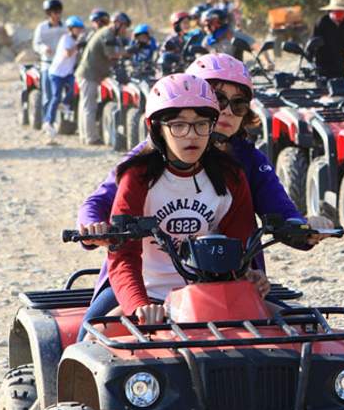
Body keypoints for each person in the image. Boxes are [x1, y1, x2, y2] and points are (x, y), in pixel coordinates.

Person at [75, 53, 325, 327]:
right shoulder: (140, 168)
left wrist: (300, 230)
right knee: (90, 336)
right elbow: (102, 212)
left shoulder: (241, 166)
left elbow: (272, 214)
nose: (228, 111)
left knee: (298, 333)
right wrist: (93, 229)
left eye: (238, 103)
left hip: (219, 285)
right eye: (219, 99)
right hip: (143, 284)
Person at [102, 73, 259, 326]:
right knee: (88, 339)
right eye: (178, 125)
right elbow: (123, 255)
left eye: (201, 124)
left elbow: (239, 244)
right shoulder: (137, 177)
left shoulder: (231, 175)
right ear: (157, 129)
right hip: (151, 295)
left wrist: (248, 274)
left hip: (214, 296)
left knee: (290, 336)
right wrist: (139, 305)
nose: (191, 135)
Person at [75, 11, 129, 145]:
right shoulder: (107, 34)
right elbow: (111, 54)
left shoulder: (106, 33)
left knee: (85, 106)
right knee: (89, 107)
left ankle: (85, 136)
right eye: (124, 27)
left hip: (88, 73)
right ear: (117, 24)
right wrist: (128, 52)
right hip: (89, 74)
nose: (125, 30)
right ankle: (91, 138)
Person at [43, 15, 84, 141]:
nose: (79, 30)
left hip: (68, 73)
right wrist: (79, 44)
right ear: (71, 29)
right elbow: (68, 54)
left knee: (75, 87)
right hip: (56, 73)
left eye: (80, 28)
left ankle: (65, 104)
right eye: (76, 28)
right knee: (55, 97)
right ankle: (48, 121)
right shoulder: (66, 38)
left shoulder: (75, 40)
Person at [32, 0, 66, 133]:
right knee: (48, 94)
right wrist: (43, 49)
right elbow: (36, 44)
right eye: (55, 12)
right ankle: (47, 122)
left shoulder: (65, 27)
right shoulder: (41, 27)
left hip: (63, 64)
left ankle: (63, 122)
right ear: (49, 13)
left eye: (59, 12)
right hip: (48, 64)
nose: (57, 15)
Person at [312, 0, 344, 79]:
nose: (341, 13)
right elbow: (312, 46)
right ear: (331, 10)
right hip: (323, 72)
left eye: (343, 11)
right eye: (337, 11)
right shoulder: (322, 23)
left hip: (339, 70)